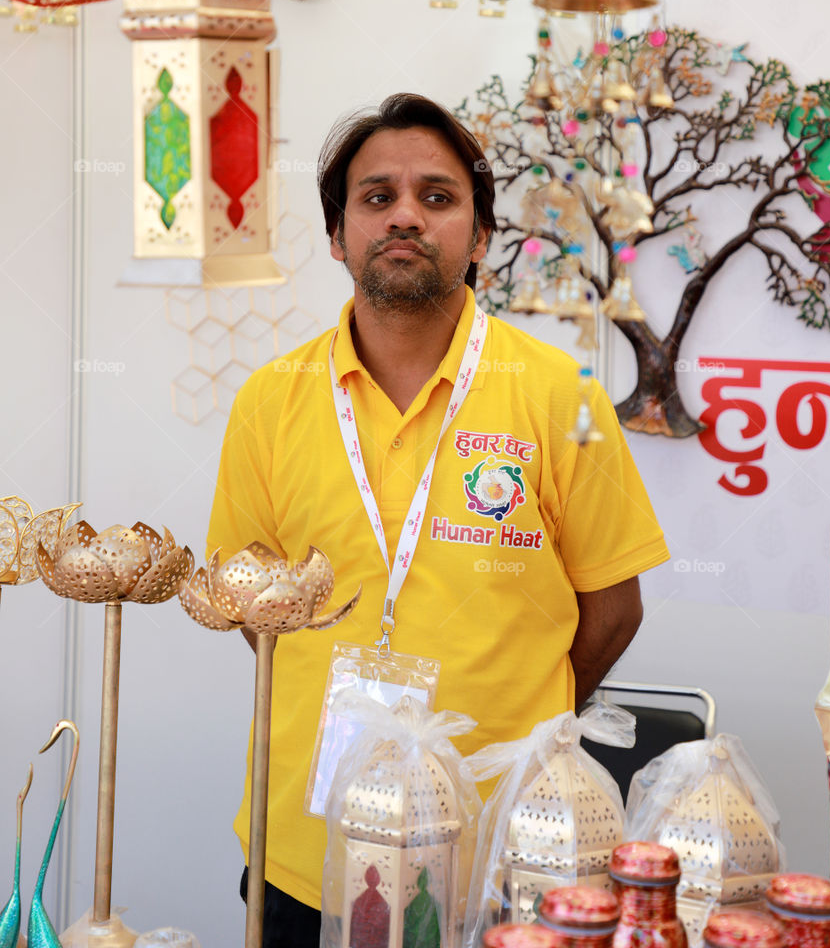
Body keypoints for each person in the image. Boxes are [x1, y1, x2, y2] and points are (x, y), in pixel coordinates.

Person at [207, 93, 669, 948]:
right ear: (339, 233)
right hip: (304, 843)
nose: (406, 216)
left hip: (504, 851)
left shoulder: (558, 397)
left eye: (438, 196)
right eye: (376, 197)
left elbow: (612, 609)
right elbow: (252, 604)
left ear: (482, 234)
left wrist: (510, 729)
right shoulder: (269, 400)